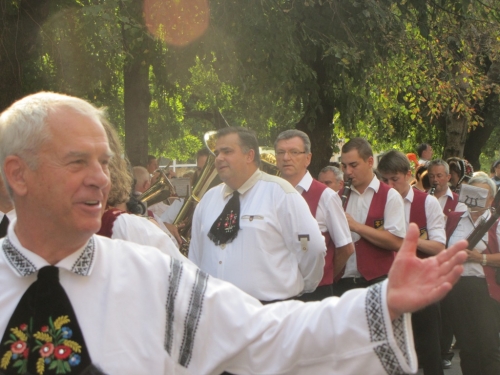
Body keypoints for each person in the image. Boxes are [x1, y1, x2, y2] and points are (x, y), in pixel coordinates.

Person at [0, 92, 468, 374]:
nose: (101, 178)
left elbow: (265, 332)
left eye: (104, 162)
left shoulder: (148, 274)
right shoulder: (207, 206)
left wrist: (379, 302)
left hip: (250, 312)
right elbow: (202, 257)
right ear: (18, 175)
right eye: (78, 161)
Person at [189, 127, 326, 302]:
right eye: (217, 153)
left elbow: (312, 248)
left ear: (249, 155)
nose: (219, 158)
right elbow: (195, 256)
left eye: (227, 151)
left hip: (269, 312)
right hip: (216, 312)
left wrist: (303, 286)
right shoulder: (208, 199)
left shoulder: (281, 194)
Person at [378, 150, 447, 375]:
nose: (389, 185)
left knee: (429, 350)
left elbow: (438, 247)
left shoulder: (427, 202)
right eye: (384, 180)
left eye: (394, 179)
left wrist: (406, 239)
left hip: (422, 283)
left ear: (409, 175)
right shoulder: (377, 201)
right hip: (388, 285)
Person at [275, 130, 354, 301]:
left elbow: (346, 248)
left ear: (308, 158)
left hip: (316, 293)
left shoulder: (326, 196)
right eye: (281, 152)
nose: (286, 157)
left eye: (294, 152)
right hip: (276, 292)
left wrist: (324, 276)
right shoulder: (269, 193)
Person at [442, 175, 500, 375]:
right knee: (467, 347)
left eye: (482, 194)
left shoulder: (496, 222)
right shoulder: (453, 219)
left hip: (485, 290)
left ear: (491, 199)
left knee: (489, 346)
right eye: (473, 193)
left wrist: (479, 258)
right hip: (458, 289)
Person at [335, 138, 406, 296]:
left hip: (377, 282)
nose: (348, 172)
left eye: (354, 165)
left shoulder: (390, 196)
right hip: (343, 282)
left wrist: (356, 226)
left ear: (370, 162)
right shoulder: (336, 197)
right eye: (344, 166)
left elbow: (396, 242)